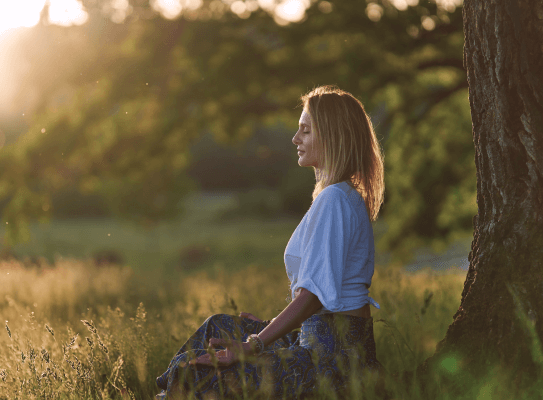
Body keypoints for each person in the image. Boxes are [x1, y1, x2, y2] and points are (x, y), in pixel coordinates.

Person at [155, 85, 385, 399]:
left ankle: (165, 394)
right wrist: (268, 325)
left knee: (197, 370)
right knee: (218, 327)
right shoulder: (339, 196)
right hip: (321, 341)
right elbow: (324, 294)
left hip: (335, 359)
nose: (295, 139)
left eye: (305, 130)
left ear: (333, 136)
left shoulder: (335, 200)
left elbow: (314, 295)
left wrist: (253, 344)